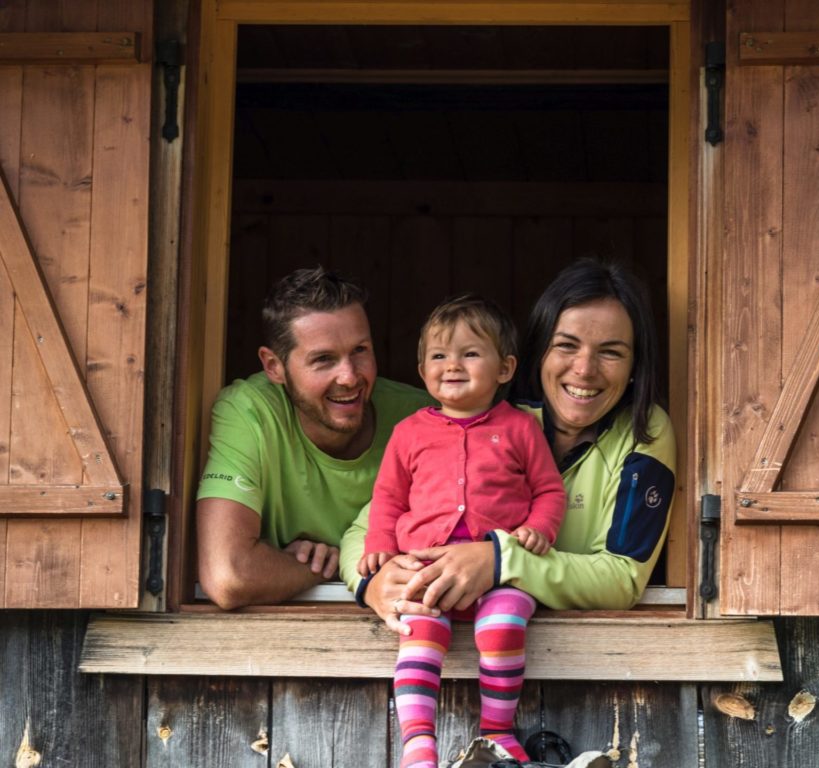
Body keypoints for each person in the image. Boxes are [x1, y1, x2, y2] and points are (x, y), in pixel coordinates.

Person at [340, 257, 676, 656]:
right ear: (539, 353)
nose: (584, 370)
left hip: (572, 659)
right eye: (566, 346)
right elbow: (365, 530)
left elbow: (623, 577)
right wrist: (374, 583)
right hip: (447, 650)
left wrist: (499, 562)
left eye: (612, 352)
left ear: (636, 364)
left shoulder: (645, 431)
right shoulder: (492, 416)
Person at [360, 295, 566, 768]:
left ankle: (497, 729)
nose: (452, 365)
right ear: (421, 368)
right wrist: (378, 548)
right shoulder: (409, 433)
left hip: (499, 574)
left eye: (470, 353)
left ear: (505, 368)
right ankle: (417, 743)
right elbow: (388, 498)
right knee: (418, 634)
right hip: (426, 569)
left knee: (505, 626)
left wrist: (538, 529)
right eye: (438, 355)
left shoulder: (520, 429)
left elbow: (549, 491)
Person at [195, 267, 432, 609]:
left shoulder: (423, 417)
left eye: (360, 350)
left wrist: (299, 567)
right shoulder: (249, 412)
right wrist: (331, 568)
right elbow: (229, 575)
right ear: (274, 366)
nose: (350, 377)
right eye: (323, 359)